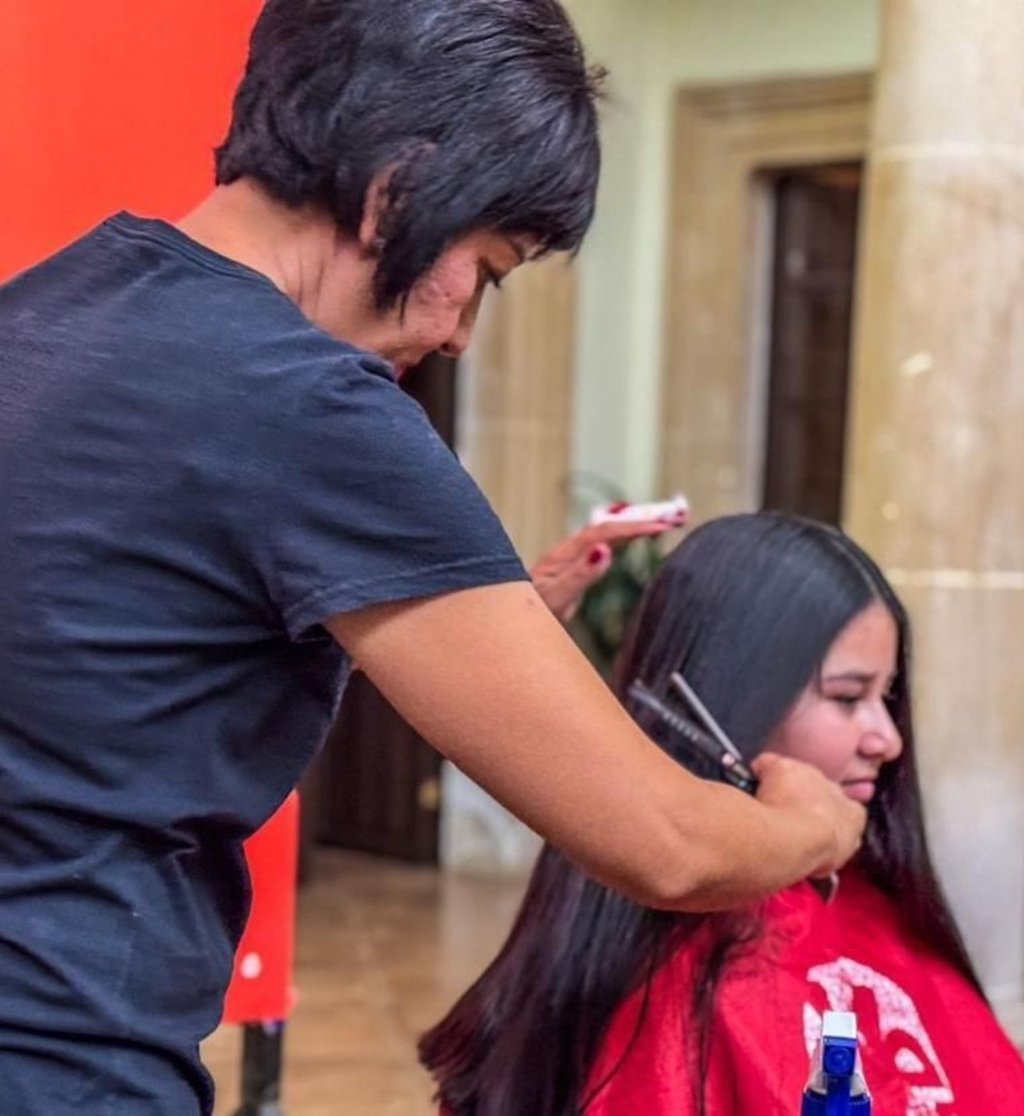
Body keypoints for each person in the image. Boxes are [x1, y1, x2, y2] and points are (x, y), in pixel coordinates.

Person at [0, 1, 863, 1111]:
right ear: (397, 188)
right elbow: (664, 841)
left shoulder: (43, 311)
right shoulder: (312, 404)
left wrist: (489, 621)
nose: (460, 332)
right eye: (486, 269)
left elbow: (128, 664)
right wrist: (812, 820)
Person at [420, 513, 1024, 1115]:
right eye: (847, 697)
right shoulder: (675, 982)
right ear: (736, 702)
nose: (887, 740)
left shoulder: (881, 903)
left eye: (886, 696)